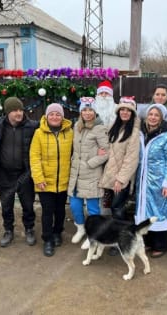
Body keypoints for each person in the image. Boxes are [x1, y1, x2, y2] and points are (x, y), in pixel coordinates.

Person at [0, 97, 39, 248]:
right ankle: (8, 230)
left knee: (28, 204)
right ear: (7, 112)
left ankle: (29, 229)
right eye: (15, 110)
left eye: (20, 110)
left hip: (24, 174)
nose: (19, 113)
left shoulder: (32, 126)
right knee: (6, 205)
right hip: (5, 173)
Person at [30, 103, 73, 257]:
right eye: (52, 114)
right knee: (47, 211)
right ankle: (47, 239)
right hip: (45, 182)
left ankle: (57, 232)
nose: (55, 117)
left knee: (60, 210)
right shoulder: (39, 133)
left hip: (63, 180)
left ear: (62, 117)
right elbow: (34, 157)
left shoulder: (69, 133)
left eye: (58, 114)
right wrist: (38, 178)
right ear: (47, 116)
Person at [99, 96, 141, 256]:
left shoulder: (134, 132)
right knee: (110, 208)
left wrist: (121, 179)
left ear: (132, 113)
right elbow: (109, 150)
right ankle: (110, 237)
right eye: (122, 109)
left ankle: (121, 241)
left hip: (120, 180)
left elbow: (131, 159)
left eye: (128, 110)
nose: (124, 112)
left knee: (118, 209)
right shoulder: (113, 128)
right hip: (108, 177)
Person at [135, 103, 167, 258]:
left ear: (161, 118)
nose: (152, 117)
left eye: (156, 115)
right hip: (143, 181)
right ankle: (148, 242)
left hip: (159, 182)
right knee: (144, 212)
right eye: (150, 114)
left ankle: (160, 245)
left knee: (158, 212)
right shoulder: (141, 134)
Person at [68, 97, 109, 249]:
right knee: (75, 205)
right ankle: (80, 228)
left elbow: (106, 152)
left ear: (95, 111)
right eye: (84, 110)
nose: (87, 113)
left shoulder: (99, 128)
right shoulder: (77, 127)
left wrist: (90, 163)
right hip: (76, 174)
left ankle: (93, 233)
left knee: (92, 208)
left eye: (90, 109)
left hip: (91, 174)